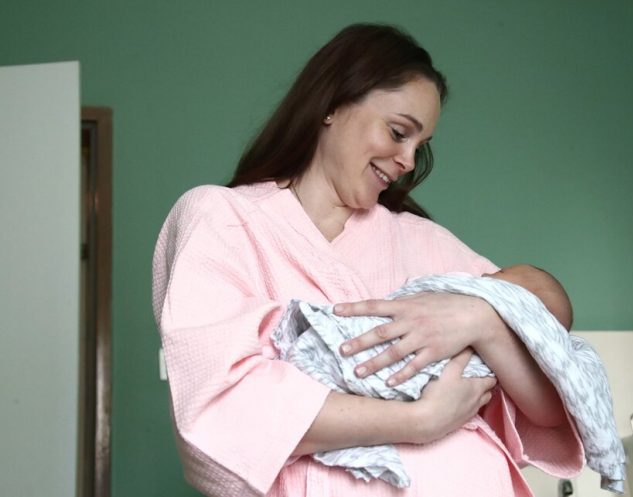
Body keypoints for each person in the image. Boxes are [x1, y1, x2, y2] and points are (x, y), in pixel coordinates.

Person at [152, 23, 584, 497]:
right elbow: (220, 407)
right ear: (332, 104)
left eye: (420, 147)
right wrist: (418, 420)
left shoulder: (426, 242)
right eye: (399, 132)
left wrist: (482, 322)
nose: (407, 160)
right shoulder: (223, 220)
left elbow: (550, 400)